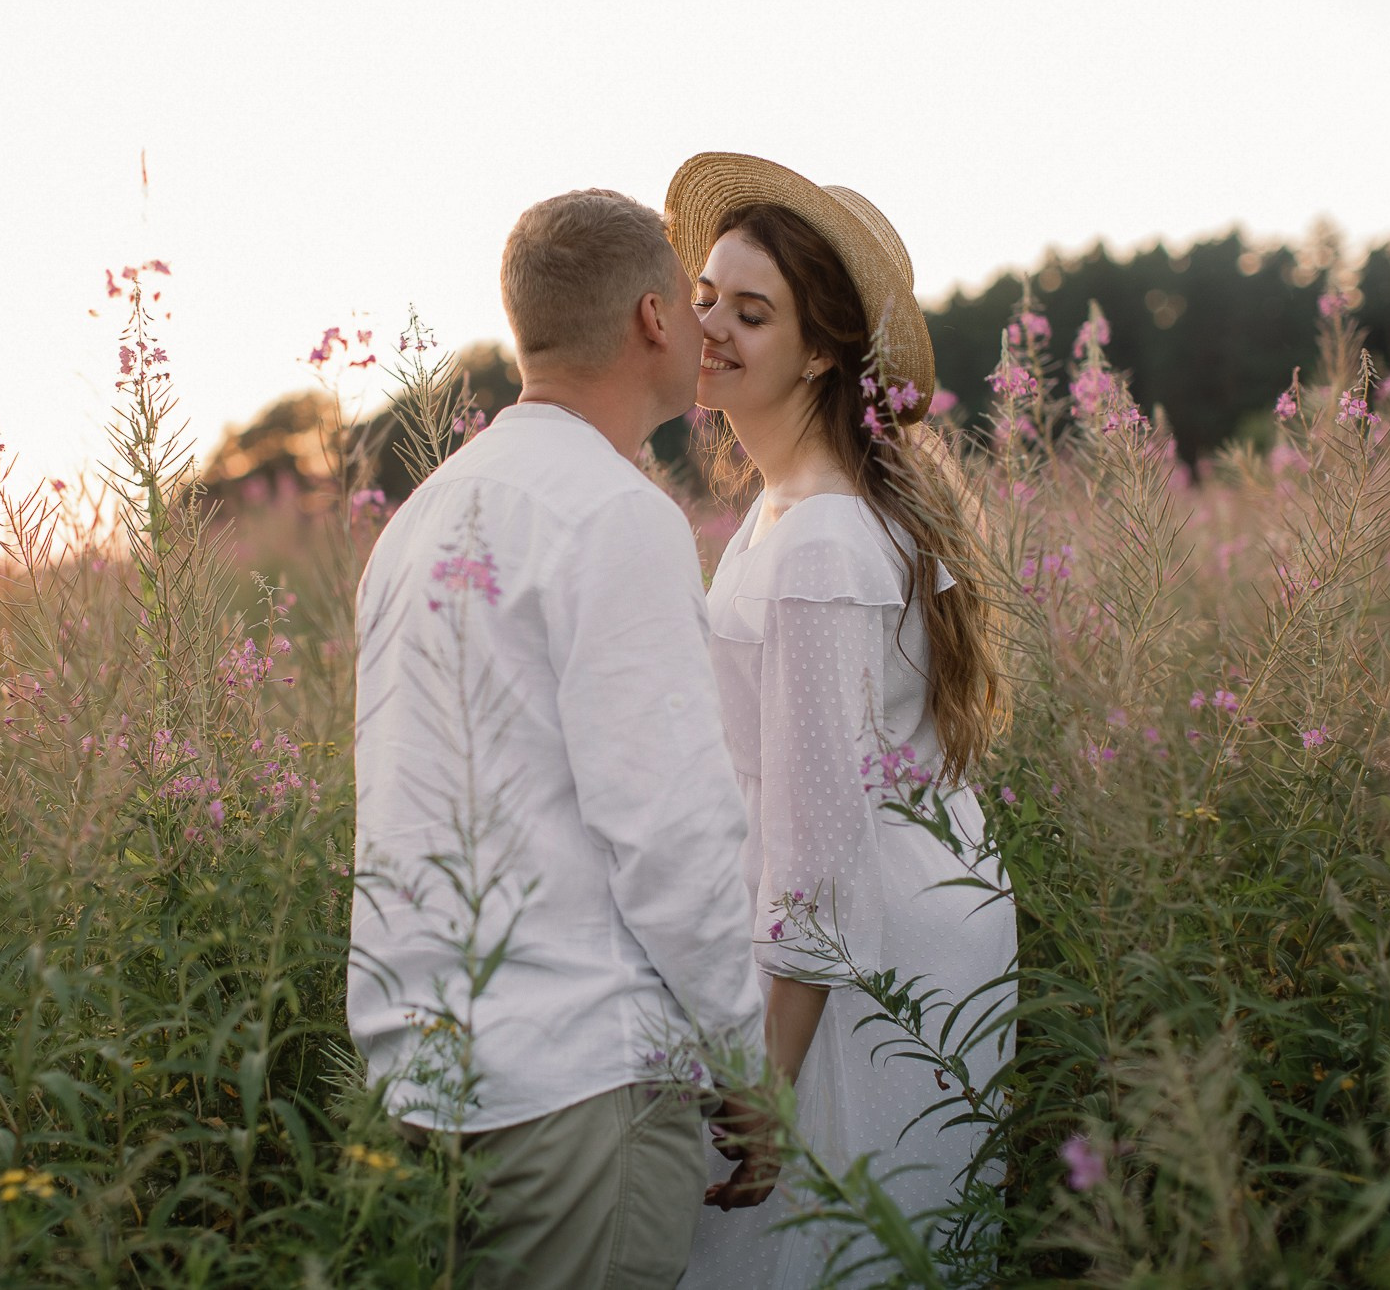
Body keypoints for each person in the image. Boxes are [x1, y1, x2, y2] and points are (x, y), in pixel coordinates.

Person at [349, 187, 769, 1289]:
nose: (704, 328)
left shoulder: (418, 520)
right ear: (649, 318)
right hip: (576, 1088)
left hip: (426, 1078)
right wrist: (745, 1062)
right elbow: (671, 828)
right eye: (692, 301)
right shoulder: (614, 515)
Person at [666, 154, 1016, 1287]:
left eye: (749, 311)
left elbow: (817, 838)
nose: (708, 323)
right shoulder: (794, 507)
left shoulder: (817, 539)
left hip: (853, 968)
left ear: (821, 351)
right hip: (886, 924)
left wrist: (766, 1082)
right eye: (705, 295)